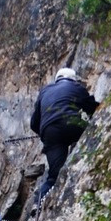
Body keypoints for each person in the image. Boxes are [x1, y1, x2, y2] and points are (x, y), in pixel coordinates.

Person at [30, 67, 99, 205]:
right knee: (89, 130)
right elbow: (94, 109)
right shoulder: (77, 88)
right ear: (73, 79)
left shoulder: (45, 91)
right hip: (72, 125)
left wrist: (47, 138)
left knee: (54, 176)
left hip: (50, 132)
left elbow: (34, 123)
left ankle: (37, 205)